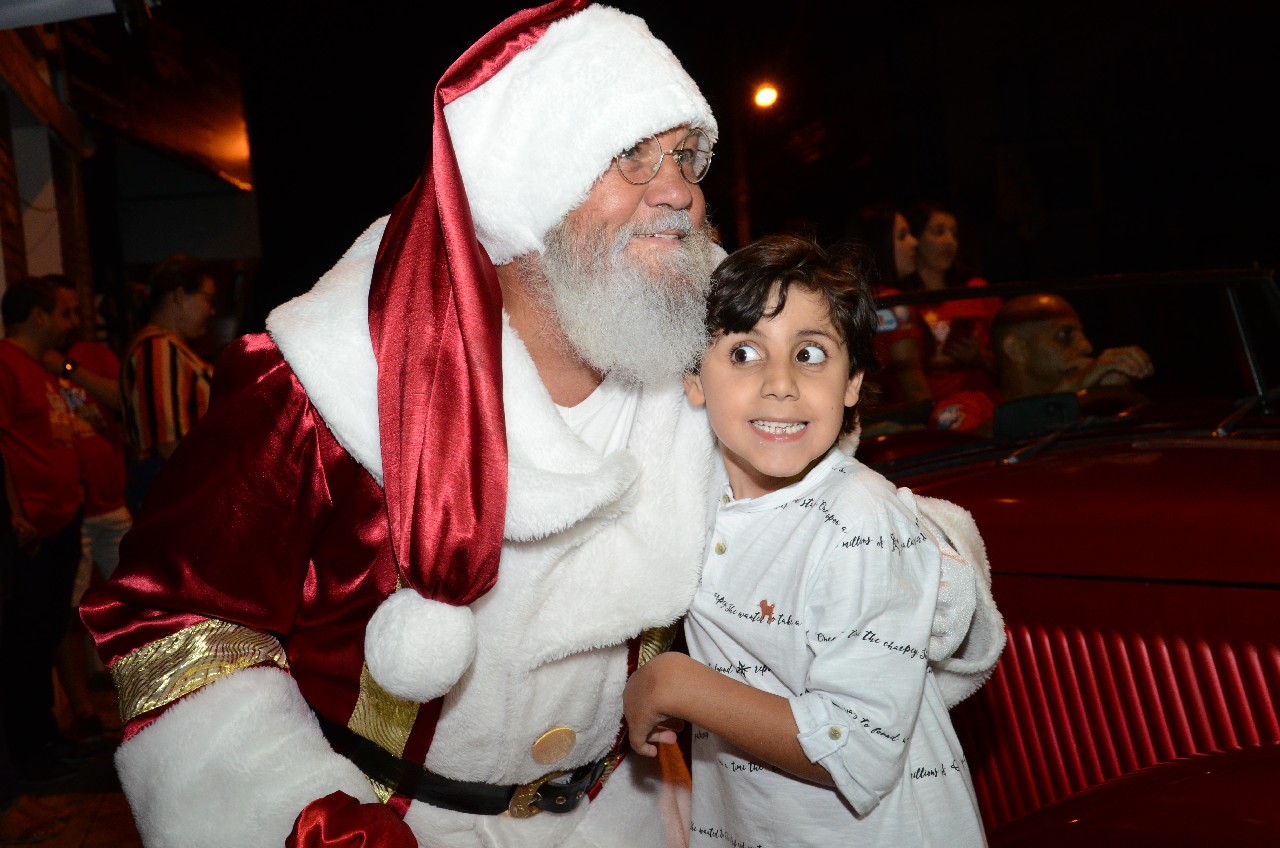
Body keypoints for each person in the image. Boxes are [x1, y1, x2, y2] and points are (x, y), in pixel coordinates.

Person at [82, 5, 997, 847]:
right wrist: (307, 818)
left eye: (688, 157)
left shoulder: (717, 355)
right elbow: (174, 625)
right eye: (632, 155)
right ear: (523, 188)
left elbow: (815, 518)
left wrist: (926, 575)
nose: (677, 191)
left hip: (643, 816)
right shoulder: (327, 382)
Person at [623, 234, 993, 847]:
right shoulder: (698, 501)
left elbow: (857, 751)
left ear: (852, 384)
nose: (780, 384)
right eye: (743, 353)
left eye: (811, 354)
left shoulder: (857, 521)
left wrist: (674, 684)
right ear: (693, 379)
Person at [0, 276, 85, 780]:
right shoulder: (6, 365)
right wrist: (15, 511)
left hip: (60, 519)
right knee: (26, 640)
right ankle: (30, 750)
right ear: (37, 315)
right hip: (31, 526)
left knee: (47, 630)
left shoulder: (40, 367)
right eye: (66, 312)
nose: (73, 322)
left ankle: (48, 737)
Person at [41, 275, 130, 743]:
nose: (73, 320)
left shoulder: (91, 357)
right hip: (70, 512)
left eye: (78, 311)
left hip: (111, 506)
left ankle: (146, 696)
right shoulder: (26, 364)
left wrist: (69, 368)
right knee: (67, 613)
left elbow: (123, 401)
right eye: (65, 311)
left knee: (138, 599)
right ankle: (82, 711)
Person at [931, 292, 1155, 434]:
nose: (1086, 346)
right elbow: (964, 447)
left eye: (1082, 334)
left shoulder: (1088, 403)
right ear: (1017, 349)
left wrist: (1118, 390)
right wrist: (1070, 391)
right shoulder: (968, 408)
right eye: (1065, 335)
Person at [119, 253, 216, 515]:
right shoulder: (156, 347)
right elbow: (168, 441)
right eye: (207, 299)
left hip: (173, 480)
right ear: (179, 295)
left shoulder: (166, 347)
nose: (211, 310)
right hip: (173, 482)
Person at [902, 200, 1003, 399]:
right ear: (916, 240)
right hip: (934, 410)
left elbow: (1015, 359)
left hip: (986, 400)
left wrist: (979, 358)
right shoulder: (903, 304)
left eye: (955, 234)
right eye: (938, 232)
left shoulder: (976, 290)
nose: (949, 241)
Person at [847, 203, 931, 413]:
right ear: (879, 245)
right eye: (902, 236)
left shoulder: (855, 298)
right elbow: (914, 386)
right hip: (898, 425)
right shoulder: (894, 304)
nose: (914, 242)